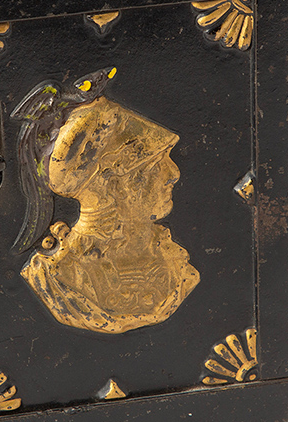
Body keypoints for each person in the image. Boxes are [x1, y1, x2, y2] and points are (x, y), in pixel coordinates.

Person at [21, 96, 200, 333]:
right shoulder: (57, 277)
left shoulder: (174, 262)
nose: (174, 174)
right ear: (114, 185)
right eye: (156, 165)